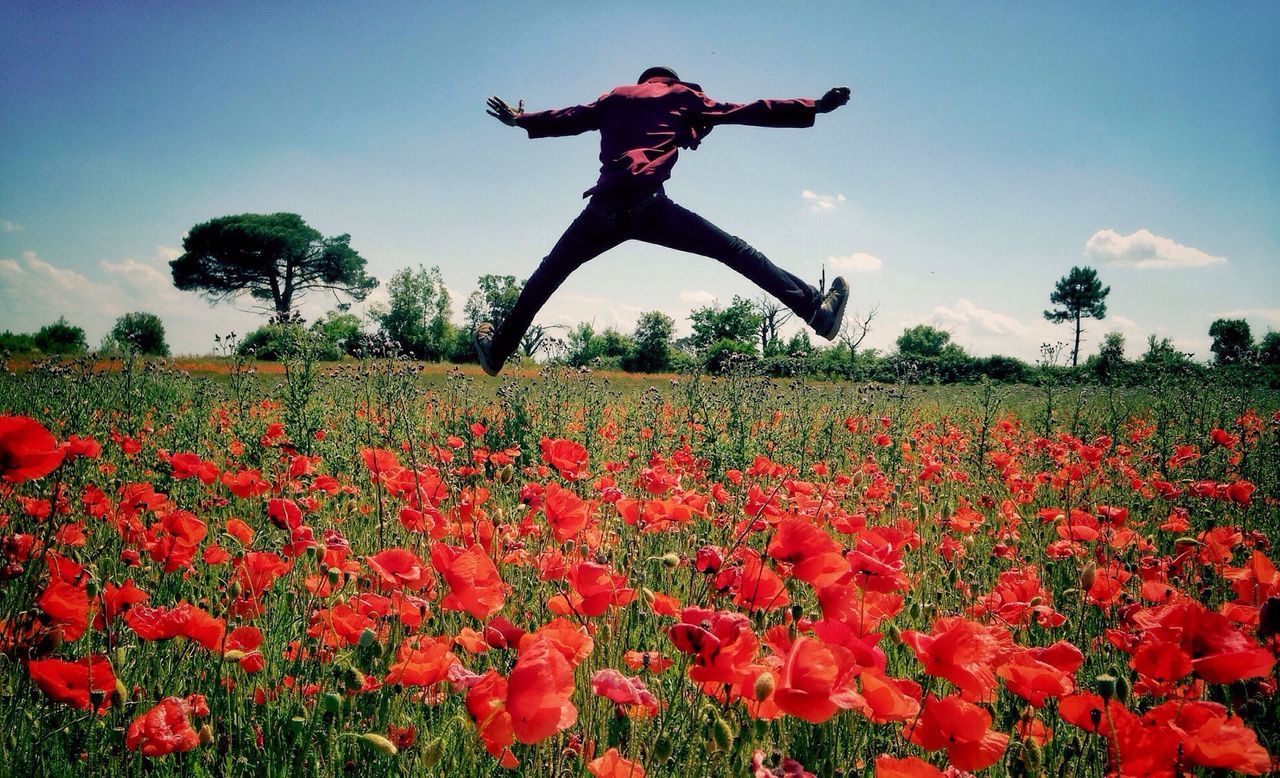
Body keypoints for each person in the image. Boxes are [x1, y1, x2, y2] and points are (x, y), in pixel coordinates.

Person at [473, 66, 853, 376]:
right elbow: (750, 110)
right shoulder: (684, 96)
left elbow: (570, 118)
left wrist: (521, 119)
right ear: (671, 79)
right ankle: (816, 312)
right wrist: (814, 106)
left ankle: (498, 351)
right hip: (648, 205)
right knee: (734, 250)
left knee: (548, 274)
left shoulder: (616, 96)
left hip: (602, 209)